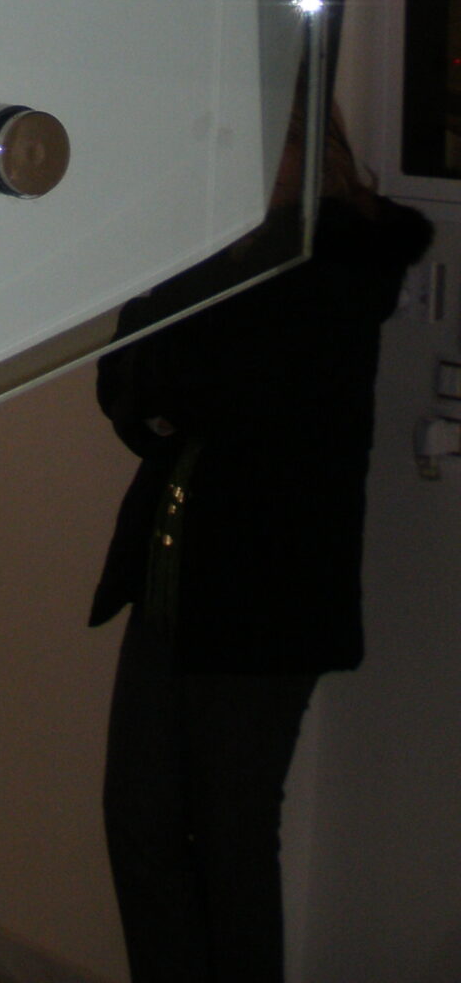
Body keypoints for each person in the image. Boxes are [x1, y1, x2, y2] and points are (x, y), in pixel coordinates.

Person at [90, 107, 431, 983]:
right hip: (171, 580)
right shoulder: (222, 250)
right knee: (139, 824)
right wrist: (158, 391)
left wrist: (161, 388)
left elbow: (194, 383)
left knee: (231, 838)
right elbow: (124, 374)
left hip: (265, 598)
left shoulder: (335, 264)